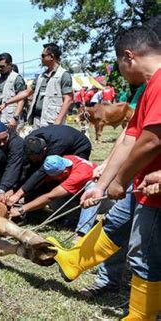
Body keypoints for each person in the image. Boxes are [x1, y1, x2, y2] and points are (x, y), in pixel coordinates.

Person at [69, 26, 161, 320]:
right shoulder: (148, 88)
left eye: (119, 65)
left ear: (127, 56)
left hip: (154, 188)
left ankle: (142, 316)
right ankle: (75, 261)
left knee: (143, 253)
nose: (120, 73)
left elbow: (152, 140)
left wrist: (121, 180)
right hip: (143, 182)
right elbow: (131, 138)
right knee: (118, 224)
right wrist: (102, 183)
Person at [9, 155, 112, 235]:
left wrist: (21, 209)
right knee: (55, 198)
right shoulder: (66, 159)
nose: (52, 179)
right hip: (81, 194)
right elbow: (40, 180)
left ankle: (82, 231)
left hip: (104, 200)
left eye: (54, 177)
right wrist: (18, 195)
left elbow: (50, 197)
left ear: (65, 171)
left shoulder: (79, 175)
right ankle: (75, 219)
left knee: (55, 197)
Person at [7, 125, 91, 206]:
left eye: (36, 158)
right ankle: (32, 202)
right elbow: (23, 167)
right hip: (61, 137)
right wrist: (13, 188)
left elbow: (41, 173)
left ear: (45, 150)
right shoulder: (29, 141)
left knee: (63, 177)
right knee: (33, 171)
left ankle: (67, 206)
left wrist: (18, 194)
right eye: (32, 158)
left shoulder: (56, 147)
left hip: (79, 147)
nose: (34, 160)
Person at [0, 43, 72, 129]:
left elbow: (68, 100)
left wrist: (58, 121)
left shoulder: (63, 75)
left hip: (53, 122)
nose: (41, 58)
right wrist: (6, 103)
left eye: (43, 55)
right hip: (37, 120)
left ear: (51, 57)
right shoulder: (41, 76)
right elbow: (27, 92)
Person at [0, 121, 24, 203]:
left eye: (4, 139)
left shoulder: (17, 143)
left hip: (17, 173)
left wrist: (2, 189)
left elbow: (13, 166)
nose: (2, 143)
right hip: (0, 173)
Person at [0, 53, 26, 129]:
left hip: (10, 118)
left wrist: (15, 118)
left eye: (2, 66)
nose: (0, 69)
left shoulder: (17, 78)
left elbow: (21, 99)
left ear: (10, 65)